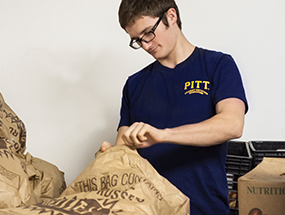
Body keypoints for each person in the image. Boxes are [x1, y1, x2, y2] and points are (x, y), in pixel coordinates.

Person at [101, 0, 248, 214]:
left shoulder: (218, 65)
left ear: (171, 16)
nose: (145, 45)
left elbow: (232, 125)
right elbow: (124, 152)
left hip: (205, 209)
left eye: (148, 33)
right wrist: (110, 156)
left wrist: (163, 135)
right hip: (147, 210)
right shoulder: (134, 84)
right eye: (136, 40)